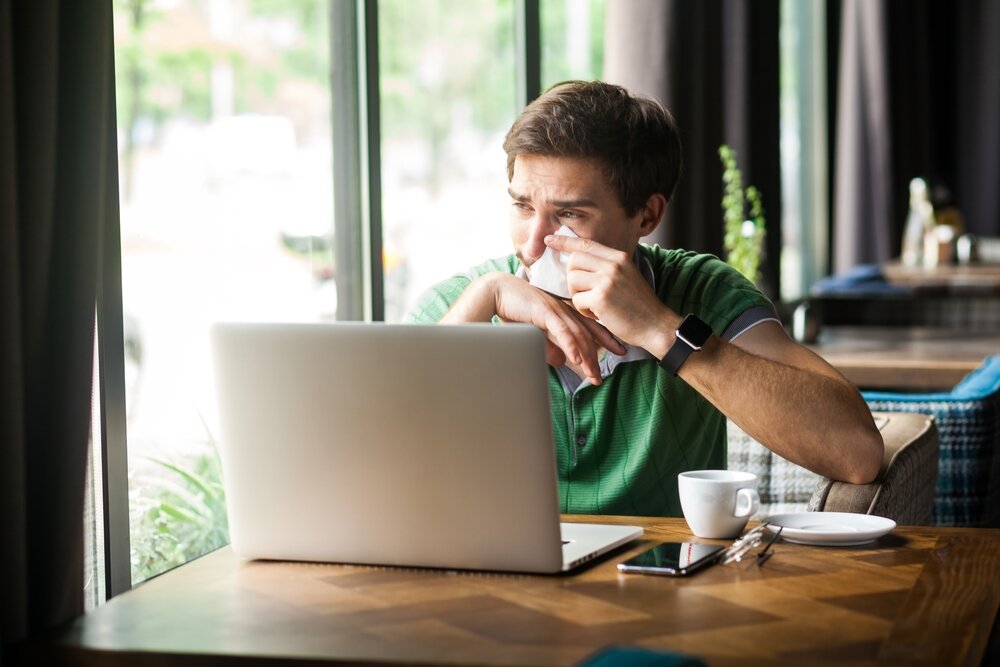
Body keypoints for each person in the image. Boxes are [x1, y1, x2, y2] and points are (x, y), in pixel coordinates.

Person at [407, 81, 883, 517]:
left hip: (659, 596)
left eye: (569, 214)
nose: (532, 245)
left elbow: (857, 453)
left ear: (647, 214)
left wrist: (661, 330)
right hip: (489, 595)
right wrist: (483, 300)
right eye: (522, 206)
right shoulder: (459, 306)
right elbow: (371, 462)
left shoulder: (702, 290)